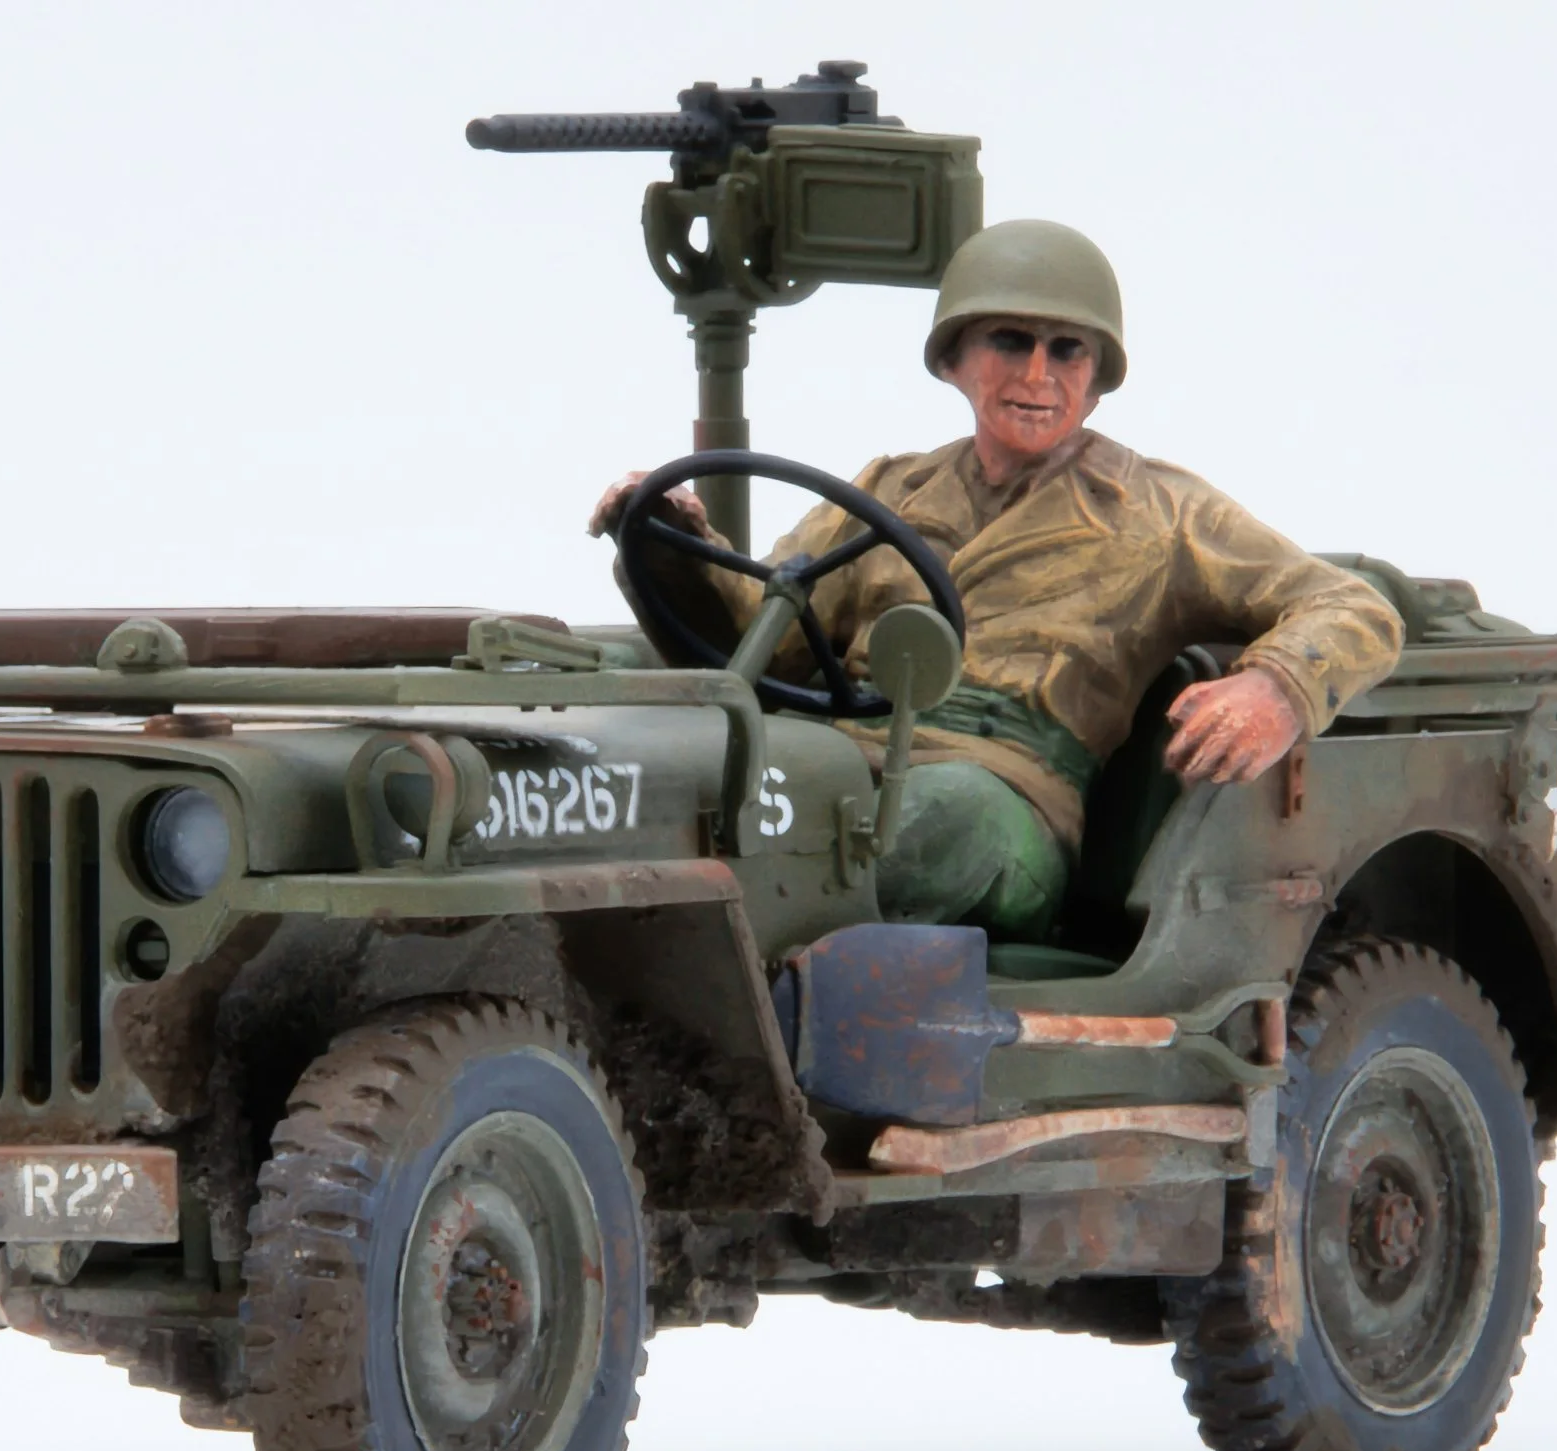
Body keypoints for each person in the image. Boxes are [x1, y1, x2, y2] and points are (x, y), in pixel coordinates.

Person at [588, 218, 1405, 938]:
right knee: (674, 784)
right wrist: (667, 541)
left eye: (1067, 349)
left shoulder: (1161, 513)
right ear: (955, 358)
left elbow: (1351, 605)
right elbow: (767, 640)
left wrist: (1279, 688)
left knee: (929, 829)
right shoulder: (892, 489)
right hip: (848, 752)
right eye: (1010, 342)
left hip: (1012, 797)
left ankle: (747, 977)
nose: (1038, 375)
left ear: (1097, 373)